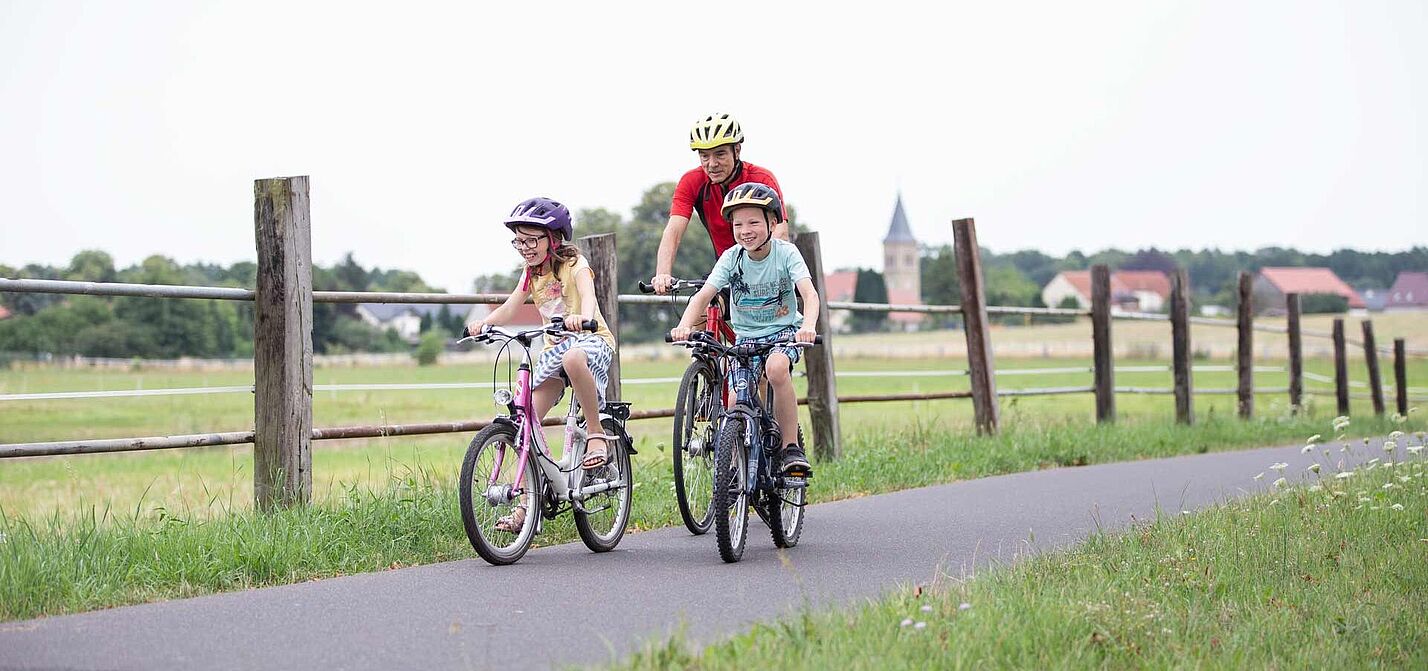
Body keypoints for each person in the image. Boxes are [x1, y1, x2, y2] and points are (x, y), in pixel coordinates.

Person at [465, 197, 618, 531]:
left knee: (573, 356)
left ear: (554, 238)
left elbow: (588, 294)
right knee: (526, 420)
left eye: (531, 240)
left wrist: (584, 318)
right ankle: (526, 506)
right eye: (519, 240)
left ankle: (595, 434)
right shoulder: (530, 273)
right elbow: (510, 307)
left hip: (591, 341)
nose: (525, 247)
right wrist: (485, 323)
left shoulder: (574, 264)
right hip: (554, 351)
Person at [668, 183, 818, 476]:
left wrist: (808, 326)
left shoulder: (786, 254)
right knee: (736, 399)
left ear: (772, 223)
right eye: (738, 224)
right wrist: (684, 325)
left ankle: (790, 448)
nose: (745, 230)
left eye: (753, 222)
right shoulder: (732, 258)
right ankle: (743, 460)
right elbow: (704, 295)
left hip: (783, 333)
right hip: (746, 337)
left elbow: (810, 295)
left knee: (776, 369)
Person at [651, 113, 789, 295]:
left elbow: (780, 231)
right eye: (704, 156)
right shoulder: (691, 181)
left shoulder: (761, 178)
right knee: (702, 311)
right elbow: (673, 231)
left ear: (737, 150)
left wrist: (764, 267)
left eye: (720, 154)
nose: (712, 164)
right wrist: (662, 273)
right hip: (727, 269)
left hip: (766, 269)